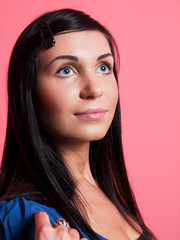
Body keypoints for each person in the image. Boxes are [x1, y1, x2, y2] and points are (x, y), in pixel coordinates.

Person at [0, 9, 156, 240]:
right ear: (29, 92)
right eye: (66, 70)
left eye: (104, 67)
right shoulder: (18, 217)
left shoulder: (106, 194)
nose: (94, 89)